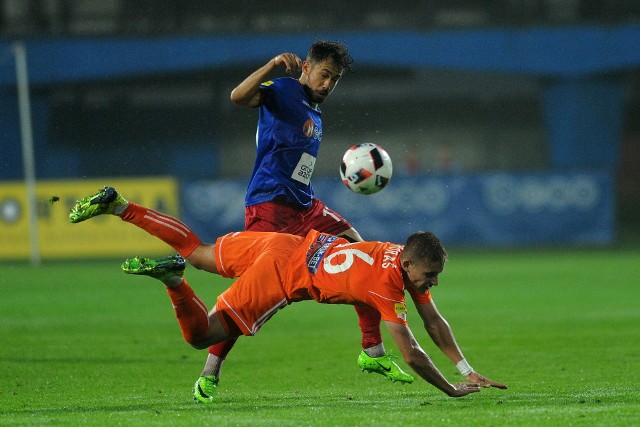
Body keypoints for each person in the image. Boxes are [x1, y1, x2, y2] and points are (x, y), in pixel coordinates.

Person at [68, 186, 508, 400]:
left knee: (199, 250)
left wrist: (467, 367)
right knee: (202, 334)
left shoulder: (397, 256)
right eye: (430, 276)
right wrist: (450, 389)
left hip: (285, 242)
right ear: (410, 265)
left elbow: (432, 320)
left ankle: (120, 206)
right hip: (282, 274)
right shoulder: (389, 284)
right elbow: (411, 352)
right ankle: (174, 281)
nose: (433, 284)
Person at [208, 38, 420, 399]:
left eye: (334, 80)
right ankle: (210, 370)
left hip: (303, 206)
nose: (327, 85)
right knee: (254, 294)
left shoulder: (313, 108)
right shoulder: (286, 89)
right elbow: (237, 97)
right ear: (306, 68)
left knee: (361, 250)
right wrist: (273, 64)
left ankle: (372, 350)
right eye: (323, 75)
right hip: (269, 206)